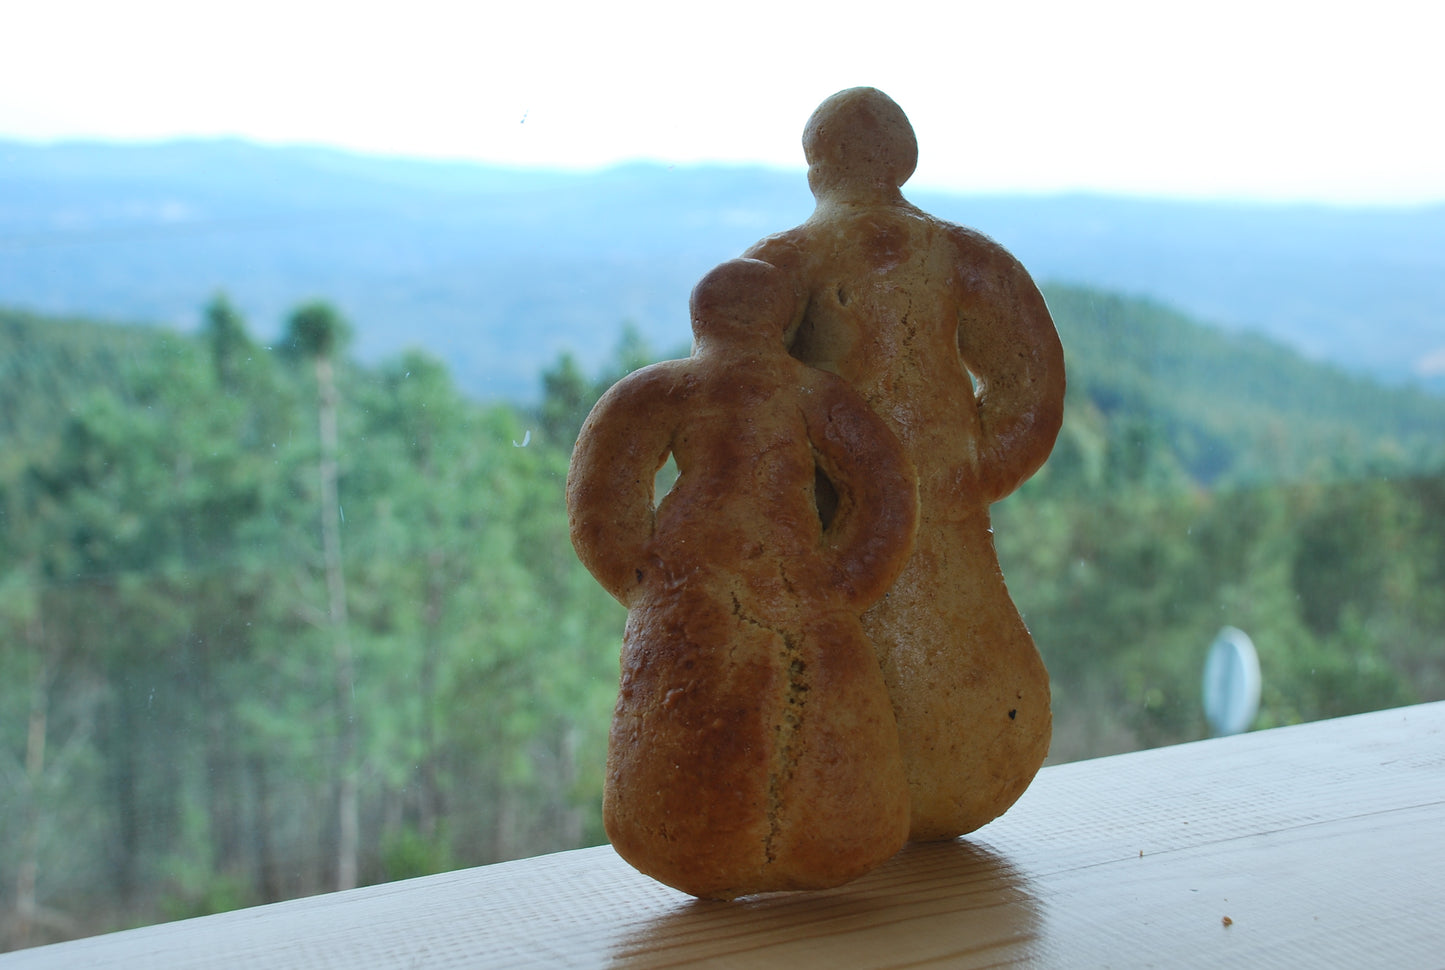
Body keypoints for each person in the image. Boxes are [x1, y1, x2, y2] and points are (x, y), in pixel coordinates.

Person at [744, 87, 1067, 840]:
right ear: (903, 159)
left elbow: (739, 392)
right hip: (937, 504)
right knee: (960, 647)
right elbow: (1031, 386)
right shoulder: (965, 256)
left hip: (831, 523)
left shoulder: (777, 265)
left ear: (814, 166)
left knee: (823, 663)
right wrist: (969, 474)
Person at [567, 257, 918, 897]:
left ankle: (681, 825)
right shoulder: (818, 394)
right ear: (782, 318)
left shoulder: (652, 390)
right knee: (822, 706)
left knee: (688, 697)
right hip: (791, 578)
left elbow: (601, 508)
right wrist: (840, 584)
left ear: (702, 316)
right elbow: (885, 500)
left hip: (690, 581)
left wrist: (647, 582)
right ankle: (827, 824)